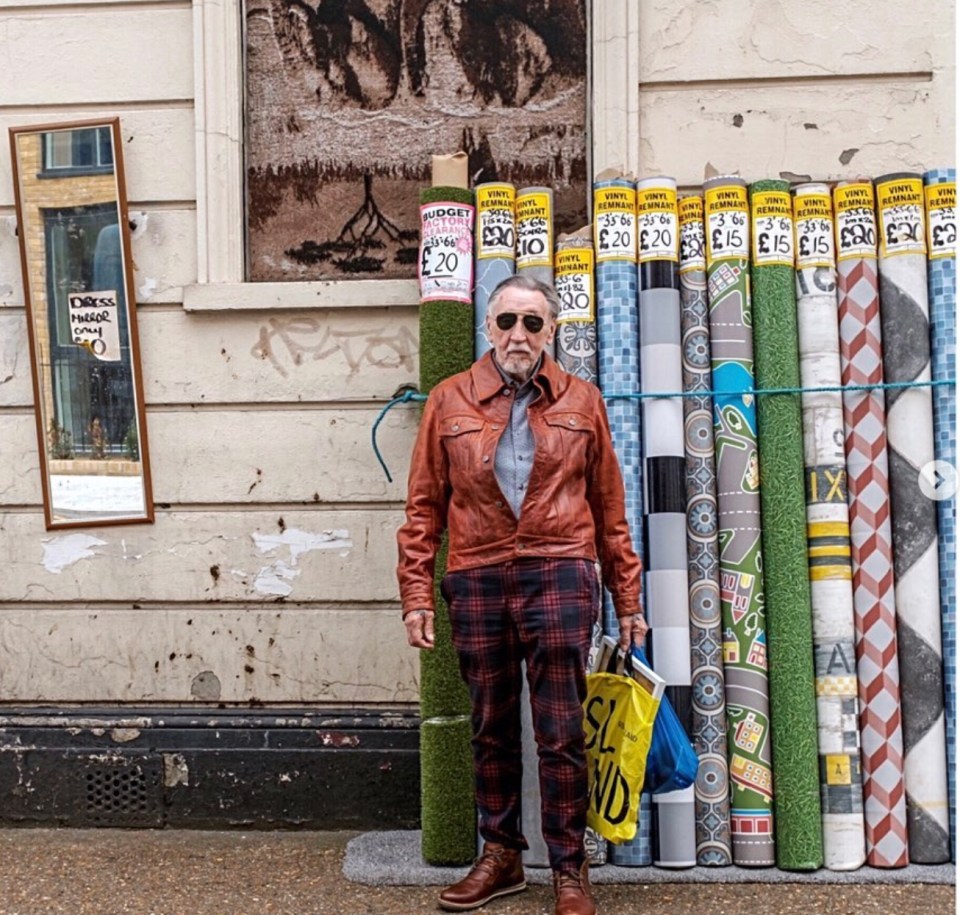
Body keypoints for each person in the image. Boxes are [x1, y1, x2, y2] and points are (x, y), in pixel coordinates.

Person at [397, 275, 647, 915]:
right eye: (507, 321)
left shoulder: (580, 400)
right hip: (477, 571)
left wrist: (630, 603)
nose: (518, 335)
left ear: (551, 331)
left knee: (562, 729)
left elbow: (610, 509)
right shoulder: (450, 401)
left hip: (561, 569)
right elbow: (424, 506)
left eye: (532, 323)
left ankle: (569, 869)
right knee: (490, 724)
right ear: (489, 327)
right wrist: (416, 593)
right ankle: (501, 854)